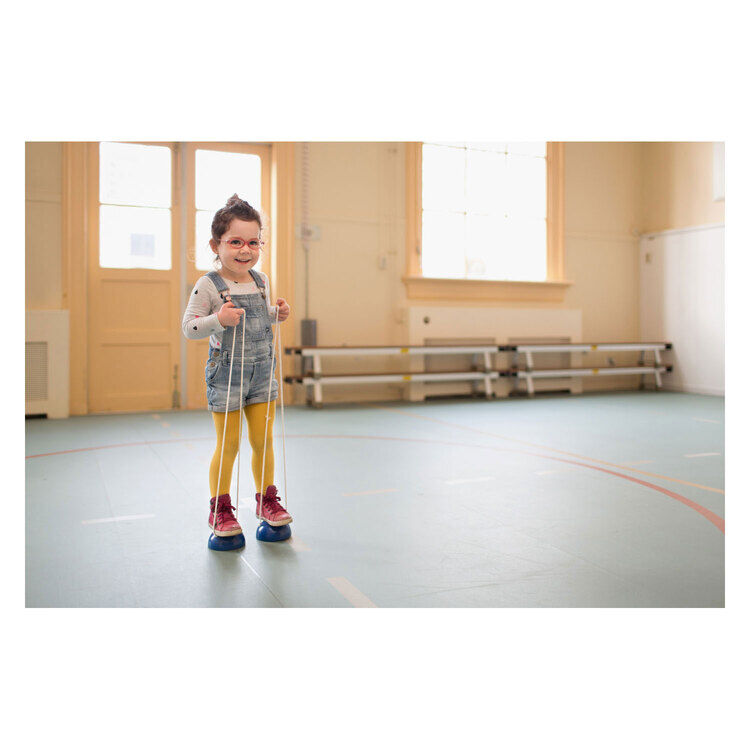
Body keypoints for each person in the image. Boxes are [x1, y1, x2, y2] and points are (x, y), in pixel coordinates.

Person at [182, 194, 292, 537]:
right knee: (229, 444)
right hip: (227, 375)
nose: (246, 250)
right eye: (235, 242)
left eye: (253, 242)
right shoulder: (208, 285)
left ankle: (266, 500)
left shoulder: (261, 281)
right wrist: (218, 319)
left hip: (262, 373)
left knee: (263, 440)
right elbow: (189, 328)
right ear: (216, 245)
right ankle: (220, 509)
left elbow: (258, 319)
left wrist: (277, 314)